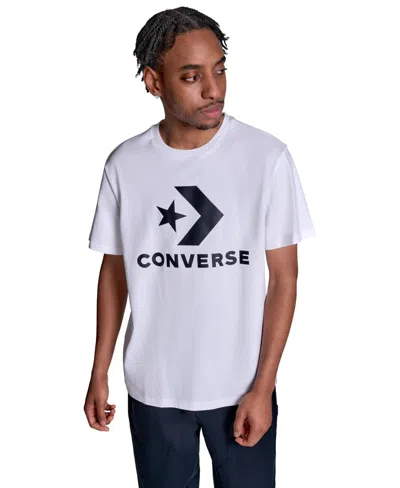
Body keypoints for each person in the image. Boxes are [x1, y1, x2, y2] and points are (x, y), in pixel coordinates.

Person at [84, 6, 316, 487]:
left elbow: (284, 280)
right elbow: (115, 271)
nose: (214, 89)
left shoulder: (266, 157)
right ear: (154, 82)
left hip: (241, 389)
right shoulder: (125, 164)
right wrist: (99, 370)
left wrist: (264, 386)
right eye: (192, 77)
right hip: (153, 388)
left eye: (219, 70)